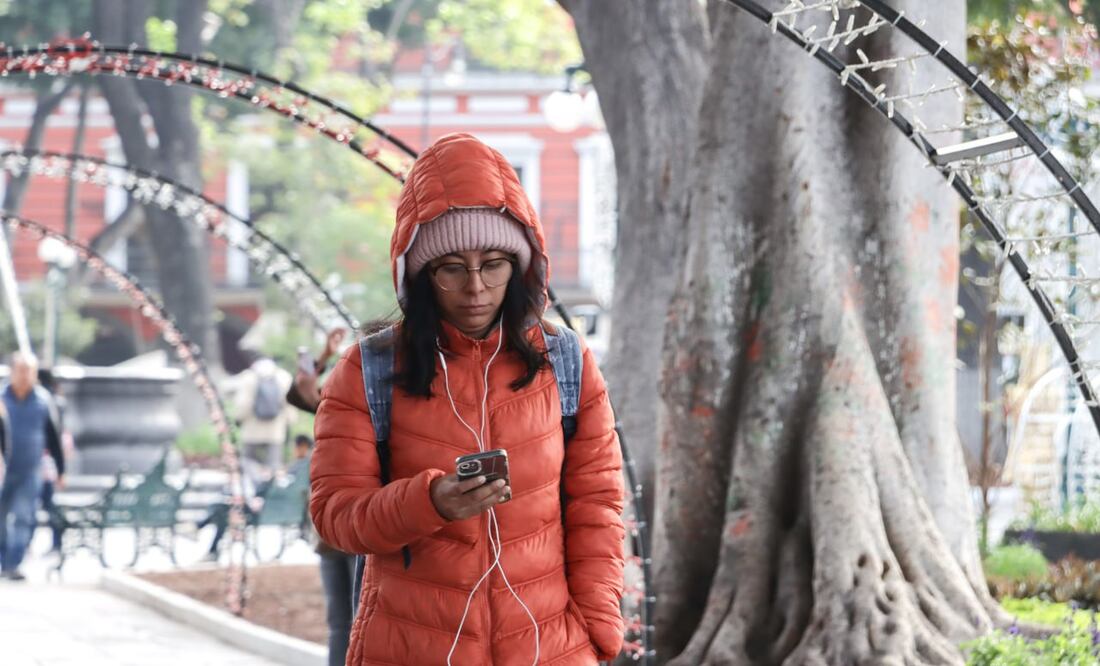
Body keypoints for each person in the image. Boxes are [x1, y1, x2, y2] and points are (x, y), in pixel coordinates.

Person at [310, 132, 625, 665]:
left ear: (520, 267)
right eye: (452, 267)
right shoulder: (370, 369)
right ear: (421, 274)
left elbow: (598, 506)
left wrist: (598, 632)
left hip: (550, 649)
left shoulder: (566, 362)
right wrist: (428, 503)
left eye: (494, 263)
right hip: (409, 648)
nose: (475, 286)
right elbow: (335, 514)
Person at [0, 352, 64, 580]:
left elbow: (53, 436)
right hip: (2, 471)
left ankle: (13, 563)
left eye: (29, 371)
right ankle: (3, 560)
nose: (25, 375)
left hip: (30, 470)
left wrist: (61, 469)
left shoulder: (43, 399)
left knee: (24, 516)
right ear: (12, 371)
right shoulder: (1, 397)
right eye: (21, 370)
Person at [224, 352, 296, 472]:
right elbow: (290, 403)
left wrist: (238, 419)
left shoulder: (248, 377)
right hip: (275, 430)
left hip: (252, 429)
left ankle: (251, 488)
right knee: (274, 464)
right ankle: (271, 487)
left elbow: (244, 404)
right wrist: (290, 420)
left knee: (248, 463)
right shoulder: (283, 377)